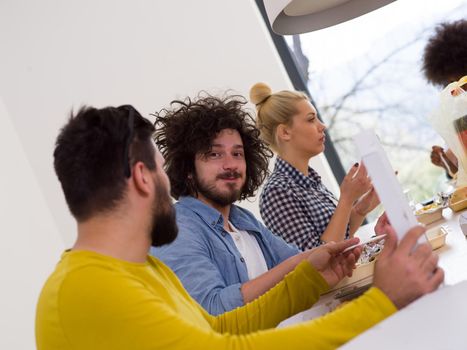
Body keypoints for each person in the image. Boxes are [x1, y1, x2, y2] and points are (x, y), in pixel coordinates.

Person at [36, 104, 444, 350]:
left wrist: (306, 279)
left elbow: (220, 327)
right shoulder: (87, 287)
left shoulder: (143, 269)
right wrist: (383, 302)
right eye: (161, 173)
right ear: (144, 178)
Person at [151, 94, 311, 315]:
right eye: (214, 154)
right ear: (188, 169)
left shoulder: (242, 220)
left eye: (237, 153)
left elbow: (304, 265)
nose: (230, 165)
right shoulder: (175, 229)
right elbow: (211, 310)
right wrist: (298, 265)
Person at [250, 83, 380, 251]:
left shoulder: (310, 180)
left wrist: (360, 209)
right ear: (285, 132)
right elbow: (316, 259)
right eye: (311, 119)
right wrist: (346, 199)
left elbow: (339, 237)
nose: (322, 126)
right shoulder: (276, 193)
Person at [423, 19, 467, 176]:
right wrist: (448, 166)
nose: (456, 89)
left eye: (460, 80)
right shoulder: (461, 114)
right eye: (450, 84)